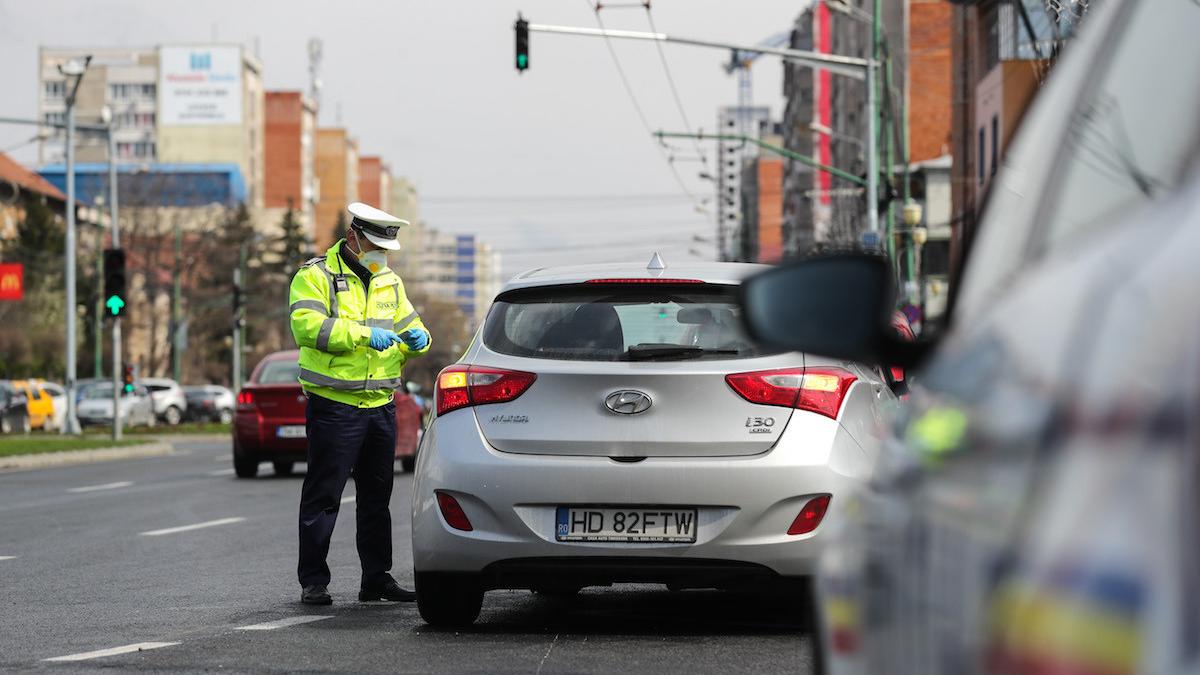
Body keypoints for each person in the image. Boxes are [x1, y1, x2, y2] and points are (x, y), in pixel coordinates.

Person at [288, 202, 432, 606]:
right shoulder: (314, 276)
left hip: (381, 404)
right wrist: (362, 334)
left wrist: (422, 337)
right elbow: (306, 326)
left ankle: (376, 579)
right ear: (353, 237)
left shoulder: (389, 281)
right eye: (375, 246)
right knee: (324, 496)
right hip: (336, 404)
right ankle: (313, 581)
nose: (381, 256)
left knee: (376, 498)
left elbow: (410, 324)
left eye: (385, 250)